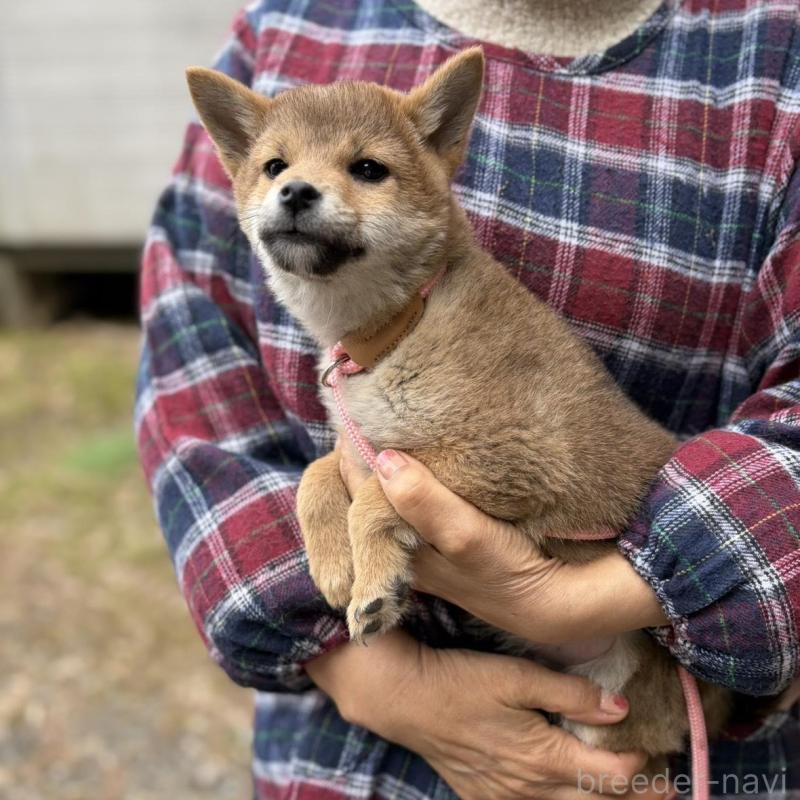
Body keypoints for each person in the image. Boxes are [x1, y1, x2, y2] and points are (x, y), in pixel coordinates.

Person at [135, 0, 800, 797]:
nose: (300, 188)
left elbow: (518, 458)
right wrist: (366, 673)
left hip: (656, 711)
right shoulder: (287, 27)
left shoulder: (773, 61)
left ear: (443, 145)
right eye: (274, 168)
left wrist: (586, 600)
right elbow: (193, 369)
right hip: (358, 742)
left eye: (366, 169)